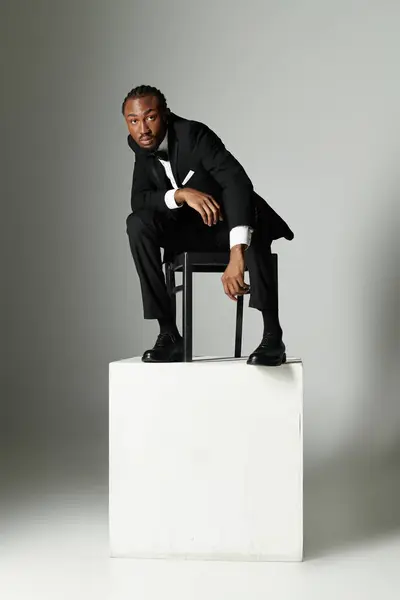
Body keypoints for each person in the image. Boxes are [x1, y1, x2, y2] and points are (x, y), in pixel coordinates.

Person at [122, 85, 294, 366]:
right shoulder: (141, 145)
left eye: (150, 117)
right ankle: (169, 335)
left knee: (253, 225)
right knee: (137, 224)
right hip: (188, 231)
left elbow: (237, 183)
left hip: (225, 226)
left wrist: (236, 253)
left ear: (165, 114)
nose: (142, 128)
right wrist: (180, 194)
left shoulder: (193, 135)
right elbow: (139, 201)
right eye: (133, 121)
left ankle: (272, 337)